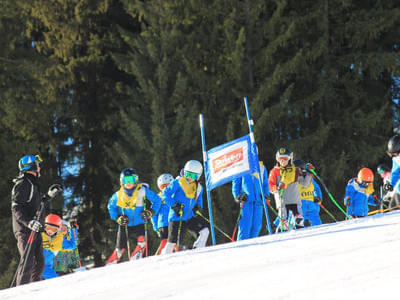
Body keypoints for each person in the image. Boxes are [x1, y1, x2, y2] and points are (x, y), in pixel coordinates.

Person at [106, 168, 161, 264]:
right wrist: (117, 217)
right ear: (121, 182)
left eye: (131, 180)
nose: (128, 183)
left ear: (135, 180)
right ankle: (112, 262)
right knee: (120, 247)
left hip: (139, 222)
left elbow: (157, 200)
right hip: (125, 223)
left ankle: (136, 258)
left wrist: (151, 212)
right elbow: (111, 206)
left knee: (142, 241)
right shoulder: (118, 195)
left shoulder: (142, 190)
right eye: (125, 180)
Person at [161, 160, 209, 254]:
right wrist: (174, 205)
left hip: (189, 217)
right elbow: (165, 194)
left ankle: (198, 250)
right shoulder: (178, 182)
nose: (189, 178)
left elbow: (199, 201)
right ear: (184, 172)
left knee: (205, 231)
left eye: (193, 176)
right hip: (176, 217)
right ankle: (164, 256)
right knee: (172, 242)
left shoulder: (199, 188)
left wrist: (197, 208)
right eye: (187, 174)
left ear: (198, 176)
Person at [11, 155, 45, 285]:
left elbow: (34, 205)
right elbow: (17, 207)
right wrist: (29, 222)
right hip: (25, 230)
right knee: (28, 263)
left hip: (34, 228)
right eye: (37, 165)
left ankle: (34, 291)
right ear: (31, 167)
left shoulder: (32, 184)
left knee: (39, 263)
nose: (39, 167)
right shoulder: (23, 183)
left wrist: (47, 197)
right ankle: (22, 293)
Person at [268, 148, 312, 231]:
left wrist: (308, 172)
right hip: (282, 201)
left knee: (298, 216)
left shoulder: (294, 170)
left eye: (285, 159)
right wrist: (277, 188)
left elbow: (304, 183)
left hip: (294, 199)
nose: (282, 161)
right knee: (283, 218)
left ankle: (301, 224)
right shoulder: (274, 171)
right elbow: (270, 186)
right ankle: (281, 228)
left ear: (290, 159)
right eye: (280, 159)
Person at [231, 161, 270, 240]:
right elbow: (236, 183)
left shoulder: (261, 166)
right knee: (245, 226)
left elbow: (265, 183)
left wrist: (266, 194)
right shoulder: (241, 166)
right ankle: (241, 246)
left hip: (258, 201)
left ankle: (252, 245)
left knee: (257, 226)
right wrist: (238, 196)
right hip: (246, 201)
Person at [42, 214, 76, 279]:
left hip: (46, 268)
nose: (50, 232)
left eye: (53, 229)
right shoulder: (40, 235)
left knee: (55, 280)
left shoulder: (60, 240)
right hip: (35, 265)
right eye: (48, 228)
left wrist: (73, 229)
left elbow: (72, 245)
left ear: (58, 229)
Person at [294, 159, 322, 226]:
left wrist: (317, 198)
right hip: (301, 206)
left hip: (311, 205)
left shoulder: (310, 179)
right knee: (303, 224)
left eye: (299, 169)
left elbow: (315, 189)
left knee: (317, 225)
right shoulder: (294, 180)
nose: (297, 172)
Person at [154, 173, 174, 254]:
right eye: (163, 186)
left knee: (174, 241)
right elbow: (154, 214)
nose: (165, 188)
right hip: (163, 223)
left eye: (167, 186)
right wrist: (156, 227)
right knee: (165, 241)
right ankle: (158, 255)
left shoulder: (175, 195)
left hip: (174, 221)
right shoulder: (158, 198)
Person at [385, 135, 400, 209]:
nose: (395, 156)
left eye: (395, 154)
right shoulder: (397, 159)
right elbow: (395, 173)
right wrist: (390, 184)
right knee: (392, 206)